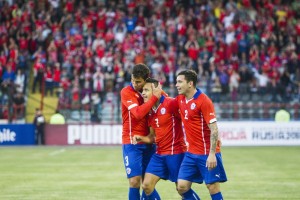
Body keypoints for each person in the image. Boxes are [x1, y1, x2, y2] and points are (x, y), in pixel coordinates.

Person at [175, 70, 227, 200]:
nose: (176, 84)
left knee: (212, 187)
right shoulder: (180, 99)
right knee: (181, 186)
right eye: (176, 81)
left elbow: (214, 129)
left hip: (206, 153)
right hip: (191, 153)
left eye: (180, 81)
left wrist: (212, 154)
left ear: (190, 83)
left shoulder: (204, 101)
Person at [132, 78, 188, 200]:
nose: (143, 93)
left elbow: (188, 118)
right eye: (142, 90)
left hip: (176, 152)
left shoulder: (171, 103)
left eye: (146, 90)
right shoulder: (150, 111)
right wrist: (140, 138)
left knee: (182, 189)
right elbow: (153, 137)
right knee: (146, 185)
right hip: (159, 154)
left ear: (157, 90)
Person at [120, 63, 162, 200]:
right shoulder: (126, 92)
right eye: (132, 80)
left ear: (146, 80)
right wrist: (154, 97)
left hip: (149, 141)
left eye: (138, 82)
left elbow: (165, 100)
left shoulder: (150, 90)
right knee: (134, 181)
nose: (134, 84)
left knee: (147, 183)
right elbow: (137, 114)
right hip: (132, 142)